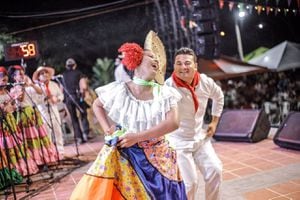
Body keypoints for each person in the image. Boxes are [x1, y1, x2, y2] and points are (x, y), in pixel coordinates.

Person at [70, 41, 187, 199]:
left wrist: (137, 137)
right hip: (127, 156)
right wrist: (107, 129)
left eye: (157, 58)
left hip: (160, 158)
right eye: (151, 56)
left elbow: (173, 123)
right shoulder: (120, 90)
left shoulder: (165, 93)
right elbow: (97, 105)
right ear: (136, 59)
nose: (157, 60)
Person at [165, 47, 224, 200]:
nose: (183, 67)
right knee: (190, 184)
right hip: (178, 141)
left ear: (195, 66)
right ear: (174, 66)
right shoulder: (168, 87)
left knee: (215, 170)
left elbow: (219, 97)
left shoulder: (205, 82)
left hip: (200, 137)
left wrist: (214, 122)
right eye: (178, 63)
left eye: (187, 63)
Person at [8, 65, 58, 166]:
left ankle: (45, 159)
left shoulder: (29, 84)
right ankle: (35, 161)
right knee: (30, 137)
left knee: (40, 135)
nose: (22, 75)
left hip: (34, 112)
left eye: (23, 73)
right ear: (14, 77)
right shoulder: (14, 89)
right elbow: (20, 99)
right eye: (20, 74)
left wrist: (31, 84)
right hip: (24, 114)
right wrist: (21, 86)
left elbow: (40, 92)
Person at [32, 66, 65, 159]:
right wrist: (44, 99)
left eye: (46, 72)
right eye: (42, 73)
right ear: (38, 77)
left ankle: (60, 151)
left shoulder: (53, 84)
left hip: (54, 109)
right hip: (43, 111)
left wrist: (57, 99)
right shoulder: (37, 87)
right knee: (47, 132)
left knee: (58, 130)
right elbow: (35, 100)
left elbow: (61, 95)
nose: (45, 74)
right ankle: (50, 153)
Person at [61, 58, 90, 144]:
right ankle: (85, 133)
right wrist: (83, 95)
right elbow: (83, 86)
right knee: (83, 114)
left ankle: (79, 137)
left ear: (66, 66)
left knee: (74, 118)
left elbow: (61, 89)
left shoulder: (63, 75)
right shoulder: (78, 73)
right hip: (77, 97)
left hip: (68, 98)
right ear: (75, 65)